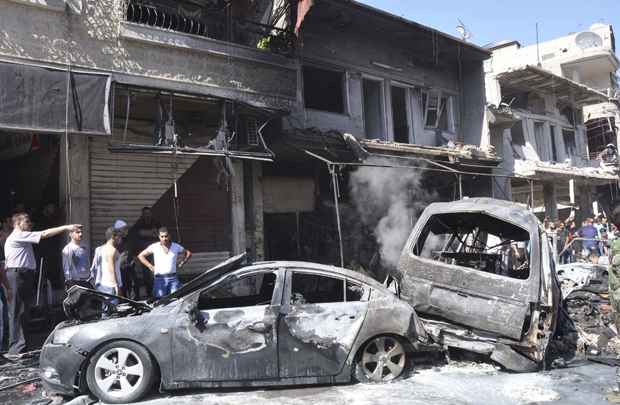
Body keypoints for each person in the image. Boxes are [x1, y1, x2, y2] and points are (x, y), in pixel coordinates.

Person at [4, 213, 80, 355]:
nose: (29, 224)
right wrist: (66, 227)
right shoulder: (18, 235)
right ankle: (16, 348)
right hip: (17, 275)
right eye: (26, 221)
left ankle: (22, 345)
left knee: (23, 310)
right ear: (18, 224)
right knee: (17, 311)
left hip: (23, 275)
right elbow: (44, 233)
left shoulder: (22, 237)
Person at [137, 227, 191, 298]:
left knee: (175, 300)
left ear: (169, 236)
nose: (164, 238)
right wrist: (150, 266)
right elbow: (141, 255)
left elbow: (188, 253)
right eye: (162, 236)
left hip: (173, 279)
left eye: (166, 236)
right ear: (159, 237)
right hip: (159, 280)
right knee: (161, 302)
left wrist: (182, 263)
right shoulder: (154, 246)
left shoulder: (176, 246)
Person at [91, 227, 123, 317]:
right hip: (111, 286)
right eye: (119, 237)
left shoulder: (99, 249)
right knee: (112, 314)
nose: (121, 239)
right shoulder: (112, 250)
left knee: (105, 311)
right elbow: (111, 268)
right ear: (113, 237)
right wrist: (116, 286)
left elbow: (94, 267)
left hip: (102, 285)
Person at [129, 207, 160, 298]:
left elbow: (160, 233)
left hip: (156, 252)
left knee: (157, 273)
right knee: (146, 274)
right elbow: (136, 235)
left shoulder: (156, 222)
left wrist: (146, 233)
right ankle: (150, 293)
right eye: (145, 213)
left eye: (149, 213)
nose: (147, 215)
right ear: (142, 215)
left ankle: (157, 292)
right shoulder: (139, 224)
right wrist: (151, 233)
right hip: (144, 253)